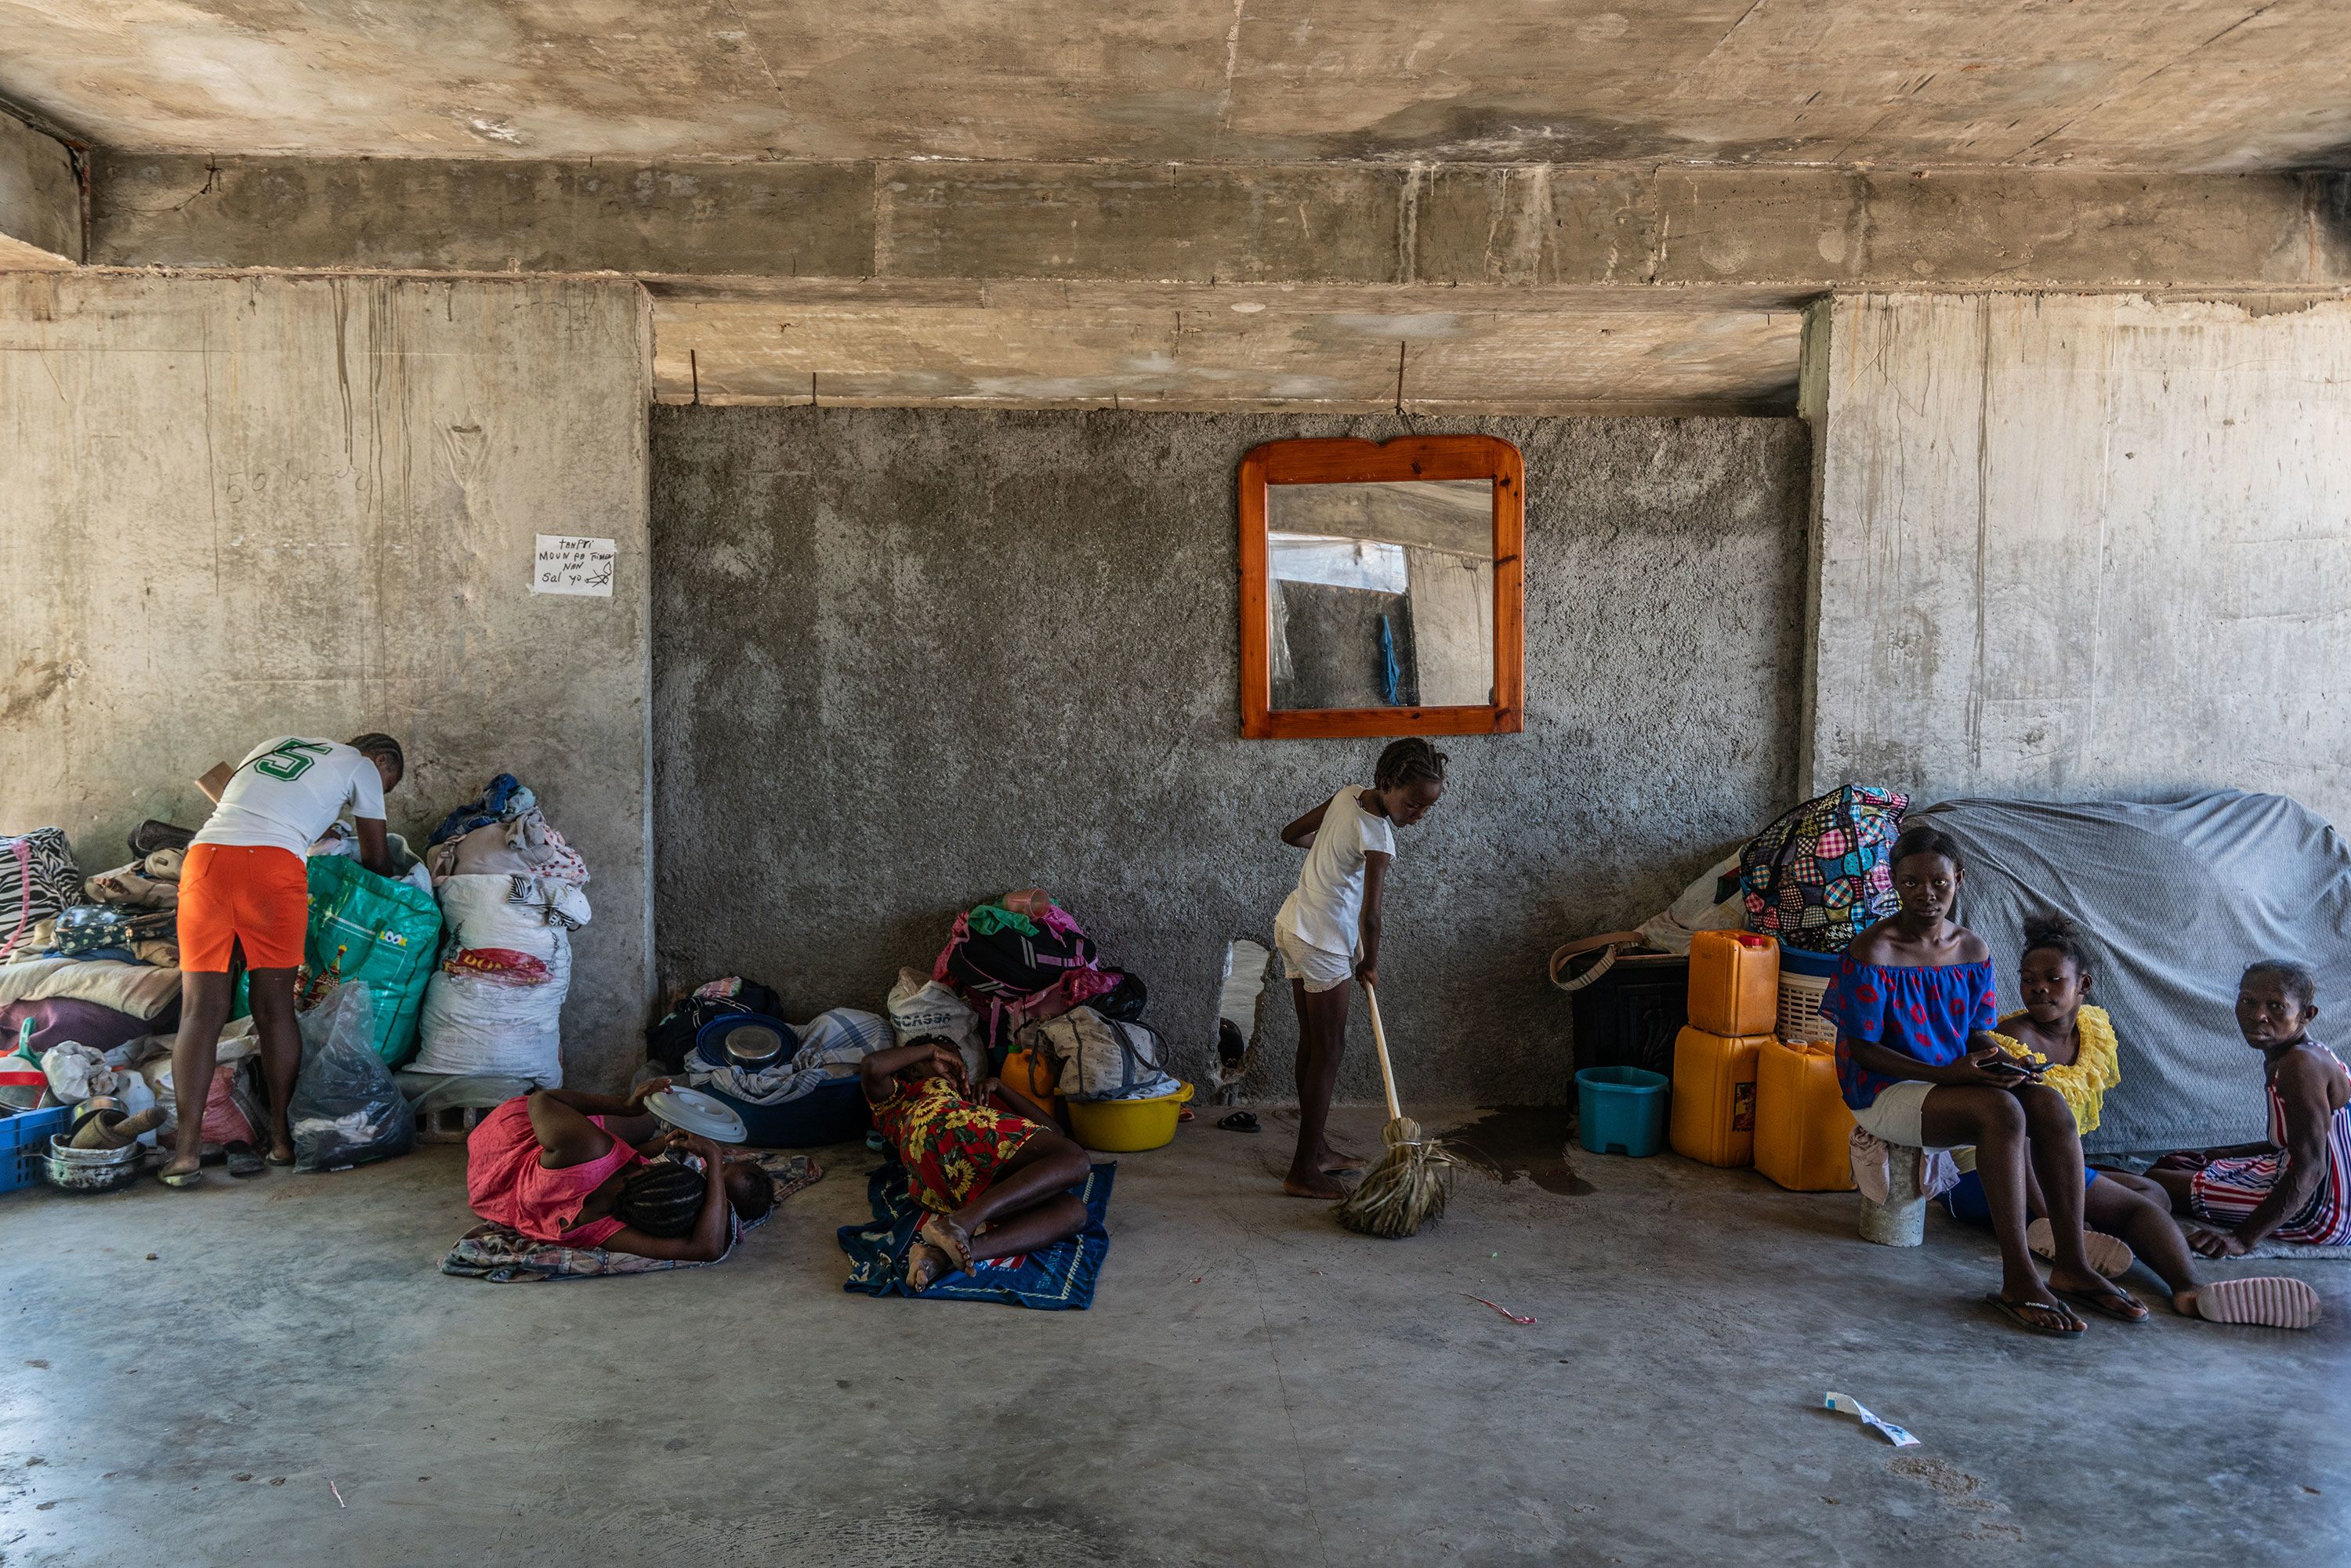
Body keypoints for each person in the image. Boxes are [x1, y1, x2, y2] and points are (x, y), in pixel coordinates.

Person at [1822, 826, 2140, 1334]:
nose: (1926, 894)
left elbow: (1973, 1032)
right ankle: (2018, 1278)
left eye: (1939, 882)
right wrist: (1942, 1073)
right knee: (2001, 1111)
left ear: (1959, 879)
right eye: (1910, 882)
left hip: (1950, 1079)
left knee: (2047, 1103)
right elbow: (1860, 1048)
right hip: (1883, 1087)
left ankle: (2073, 1264)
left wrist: (2004, 1061)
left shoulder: (1972, 948)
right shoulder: (1873, 949)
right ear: (1893, 882)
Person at [1942, 917, 2321, 1328]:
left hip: (2045, 1165)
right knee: (2142, 1212)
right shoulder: (2012, 1040)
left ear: (2083, 986)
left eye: (2054, 979)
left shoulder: (2091, 1030)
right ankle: (2188, 1289)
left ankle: (2096, 1248)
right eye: (2029, 979)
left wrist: (2071, 1203)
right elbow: (2017, 1140)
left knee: (2154, 1191)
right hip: (1987, 1175)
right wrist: (2056, 1215)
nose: (2039, 988)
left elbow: (2060, 1139)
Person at [161, 733, 408, 1188]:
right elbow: (376, 859)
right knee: (275, 1010)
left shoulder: (276, 743)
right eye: (388, 781)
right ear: (383, 760)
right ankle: (280, 1141)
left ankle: (185, 1154)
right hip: (272, 870)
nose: (380, 787)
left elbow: (244, 800)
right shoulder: (363, 766)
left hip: (206, 861)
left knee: (199, 1012)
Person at [1271, 737, 1447, 1199]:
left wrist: (1330, 854)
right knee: (1329, 1051)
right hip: (1325, 944)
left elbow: (1291, 834)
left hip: (1292, 927)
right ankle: (1303, 1172)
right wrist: (1371, 962)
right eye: (1412, 804)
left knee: (1313, 1044)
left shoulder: (1346, 795)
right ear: (1388, 784)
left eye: (1427, 809)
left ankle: (1318, 1150)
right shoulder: (1379, 838)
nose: (1418, 815)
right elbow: (1372, 916)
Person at [2146, 961, 2351, 1268]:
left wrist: (2242, 1238)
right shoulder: (2306, 1054)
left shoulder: (2300, 1066)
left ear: (2306, 1015)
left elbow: (2311, 1168)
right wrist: (2226, 1155)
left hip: (2321, 1211)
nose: (2258, 1016)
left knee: (2157, 1182)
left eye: (2276, 1006)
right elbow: (2294, 1142)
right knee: (2176, 1164)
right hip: (2309, 1182)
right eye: (2247, 1001)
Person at [863, 1034, 1094, 1292]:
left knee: (1073, 1212)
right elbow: (872, 1066)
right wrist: (930, 1050)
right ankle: (959, 1222)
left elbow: (1053, 1136)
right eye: (944, 1059)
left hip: (941, 1184)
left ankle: (940, 1256)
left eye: (957, 1061)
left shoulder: (969, 1100)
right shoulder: (902, 1097)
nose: (955, 1065)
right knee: (1076, 1160)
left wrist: (1000, 1087)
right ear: (917, 1067)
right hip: (947, 1128)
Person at [465, 1077, 776, 1262]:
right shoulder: (604, 1226)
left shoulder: (591, 1150)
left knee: (641, 1120)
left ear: (645, 1173)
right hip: (503, 1194)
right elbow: (706, 1247)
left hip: (506, 1142)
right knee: (645, 1126)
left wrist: (624, 1106)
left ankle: (628, 1115)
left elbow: (542, 1099)